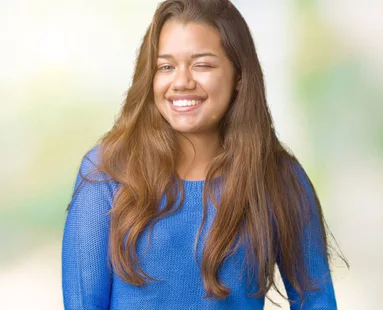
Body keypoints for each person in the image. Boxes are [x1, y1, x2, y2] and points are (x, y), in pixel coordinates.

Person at [61, 0, 345, 309]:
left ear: (239, 76)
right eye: (166, 66)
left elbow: (316, 300)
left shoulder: (277, 177)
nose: (181, 82)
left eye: (202, 65)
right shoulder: (107, 172)